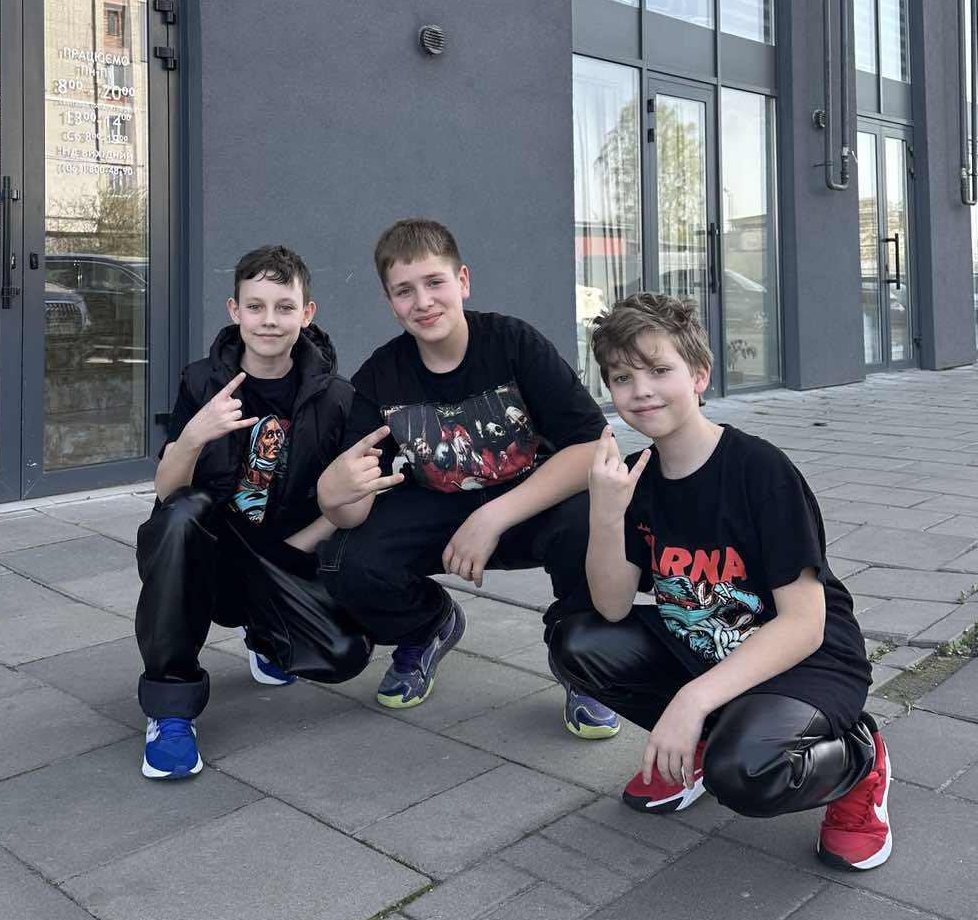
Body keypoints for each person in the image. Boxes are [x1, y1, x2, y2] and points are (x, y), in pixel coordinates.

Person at [550, 292, 891, 870]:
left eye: (659, 370)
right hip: (707, 646)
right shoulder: (635, 480)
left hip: (805, 661)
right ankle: (706, 740)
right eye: (623, 378)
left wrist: (691, 699)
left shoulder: (759, 470)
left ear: (699, 374)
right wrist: (605, 513)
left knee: (747, 772)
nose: (641, 390)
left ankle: (859, 760)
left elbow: (805, 626)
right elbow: (610, 607)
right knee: (576, 642)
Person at [316, 217, 621, 738]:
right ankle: (427, 625)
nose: (423, 302)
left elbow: (595, 446)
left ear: (462, 280)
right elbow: (354, 507)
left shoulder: (513, 343)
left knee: (593, 516)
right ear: (390, 303)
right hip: (440, 505)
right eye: (404, 291)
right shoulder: (380, 376)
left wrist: (493, 517)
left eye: (434, 282)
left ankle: (581, 656)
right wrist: (332, 496)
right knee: (344, 558)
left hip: (528, 503)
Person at [135, 244, 371, 779]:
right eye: (256, 306)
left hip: (279, 552)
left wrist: (293, 550)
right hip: (204, 549)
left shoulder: (337, 398)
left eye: (284, 307)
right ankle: (170, 710)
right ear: (234, 310)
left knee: (343, 653)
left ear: (307, 314)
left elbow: (342, 501)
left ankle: (265, 637)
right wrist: (193, 436)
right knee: (182, 514)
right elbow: (167, 490)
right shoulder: (202, 381)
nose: (269, 320)